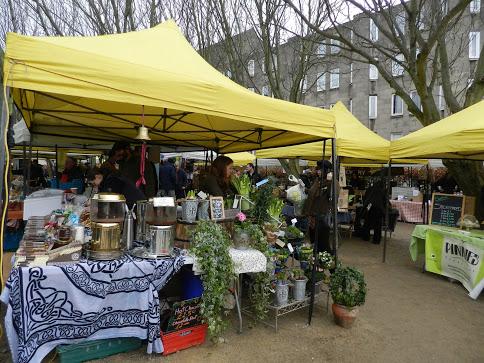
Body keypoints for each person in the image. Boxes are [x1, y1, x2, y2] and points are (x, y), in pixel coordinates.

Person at [303, 160, 335, 254]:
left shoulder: (332, 182)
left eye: (320, 170)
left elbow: (332, 196)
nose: (318, 172)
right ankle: (315, 261)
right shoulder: (317, 180)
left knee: (323, 244)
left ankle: (329, 263)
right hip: (313, 215)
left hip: (322, 216)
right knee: (314, 241)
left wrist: (330, 183)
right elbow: (313, 194)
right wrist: (305, 189)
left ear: (326, 171)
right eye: (318, 170)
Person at [361, 179, 387, 244]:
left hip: (369, 206)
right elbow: (385, 201)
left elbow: (365, 198)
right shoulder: (382, 191)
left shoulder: (370, 189)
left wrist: (366, 207)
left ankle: (366, 237)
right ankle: (376, 240)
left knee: (367, 222)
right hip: (378, 208)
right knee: (377, 225)